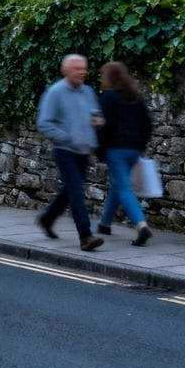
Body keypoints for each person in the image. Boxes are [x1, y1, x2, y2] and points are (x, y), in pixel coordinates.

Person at [36, 54, 105, 251]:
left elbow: (95, 114)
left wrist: (98, 121)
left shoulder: (88, 92)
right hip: (64, 150)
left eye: (84, 68)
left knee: (69, 191)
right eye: (77, 68)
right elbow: (44, 123)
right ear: (65, 70)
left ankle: (47, 219)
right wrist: (67, 137)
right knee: (76, 190)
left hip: (83, 151)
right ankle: (86, 236)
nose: (82, 72)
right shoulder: (55, 92)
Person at [96, 61, 154, 246]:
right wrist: (142, 145)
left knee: (124, 188)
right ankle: (105, 223)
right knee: (118, 184)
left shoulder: (107, 97)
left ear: (109, 78)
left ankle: (141, 226)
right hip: (134, 149)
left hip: (116, 150)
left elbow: (102, 126)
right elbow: (147, 124)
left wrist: (100, 150)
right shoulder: (135, 97)